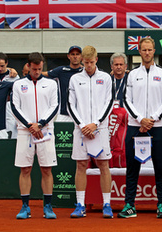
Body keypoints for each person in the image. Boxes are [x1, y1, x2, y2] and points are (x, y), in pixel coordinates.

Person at [118, 37, 162, 218]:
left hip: (157, 126)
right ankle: (129, 205)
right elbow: (127, 100)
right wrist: (140, 119)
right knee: (132, 168)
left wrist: (153, 119)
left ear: (154, 51)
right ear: (139, 51)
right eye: (144, 50)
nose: (147, 53)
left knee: (160, 168)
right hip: (135, 126)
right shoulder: (132, 74)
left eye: (150, 50)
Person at [68, 46, 114, 219]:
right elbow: (70, 105)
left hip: (100, 129)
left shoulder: (106, 78)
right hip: (80, 129)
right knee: (81, 165)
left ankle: (107, 204)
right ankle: (80, 205)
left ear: (96, 59)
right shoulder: (74, 79)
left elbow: (109, 102)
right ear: (82, 61)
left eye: (91, 62)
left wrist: (95, 124)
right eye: (85, 62)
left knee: (104, 165)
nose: (88, 65)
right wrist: (82, 125)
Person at [11, 52, 59, 219]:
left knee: (46, 169)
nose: (37, 71)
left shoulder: (52, 84)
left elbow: (55, 106)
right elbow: (15, 107)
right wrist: (29, 125)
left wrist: (40, 123)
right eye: (34, 68)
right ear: (28, 66)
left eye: (40, 69)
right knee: (25, 169)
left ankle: (48, 206)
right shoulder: (18, 85)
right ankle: (25, 206)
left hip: (45, 130)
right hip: (25, 131)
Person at [44, 46, 83, 122]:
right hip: (64, 114)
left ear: (81, 57)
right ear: (68, 56)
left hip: (81, 114)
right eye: (72, 54)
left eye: (77, 54)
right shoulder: (61, 70)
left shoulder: (85, 71)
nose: (75, 57)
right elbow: (41, 74)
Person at [0, 52, 20, 138]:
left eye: (2, 66)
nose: (0, 68)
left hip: (9, 107)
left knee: (11, 134)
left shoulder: (14, 76)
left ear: (6, 63)